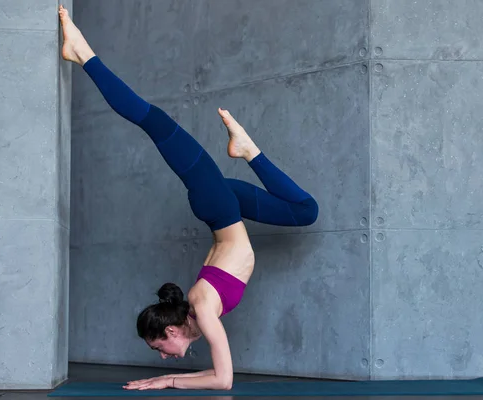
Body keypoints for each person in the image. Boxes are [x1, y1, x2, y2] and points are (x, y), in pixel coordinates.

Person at [59, 5, 318, 391]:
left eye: (159, 346)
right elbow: (222, 378)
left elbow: (222, 380)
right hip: (223, 208)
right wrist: (168, 379)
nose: (163, 354)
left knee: (154, 121)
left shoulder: (202, 310)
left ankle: (83, 54)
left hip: (220, 208)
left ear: (172, 329)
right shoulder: (201, 312)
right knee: (306, 211)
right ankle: (248, 150)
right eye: (161, 353)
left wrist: (168, 381)